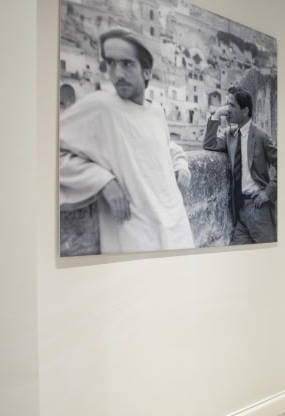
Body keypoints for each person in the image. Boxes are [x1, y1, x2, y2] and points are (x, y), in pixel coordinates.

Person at [59, 28, 194, 253]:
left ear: (147, 72)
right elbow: (50, 151)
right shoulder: (101, 107)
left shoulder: (156, 112)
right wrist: (103, 181)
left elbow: (164, 146)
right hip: (135, 236)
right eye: (111, 64)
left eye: (127, 64)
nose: (118, 74)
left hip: (177, 227)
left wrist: (180, 163)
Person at [203, 87, 277, 244]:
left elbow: (283, 164)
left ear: (245, 110)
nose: (227, 110)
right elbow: (209, 144)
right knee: (237, 252)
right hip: (239, 211)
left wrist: (268, 193)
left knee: (267, 253)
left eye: (231, 105)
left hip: (258, 208)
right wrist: (216, 115)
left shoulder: (262, 136)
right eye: (226, 105)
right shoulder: (230, 134)